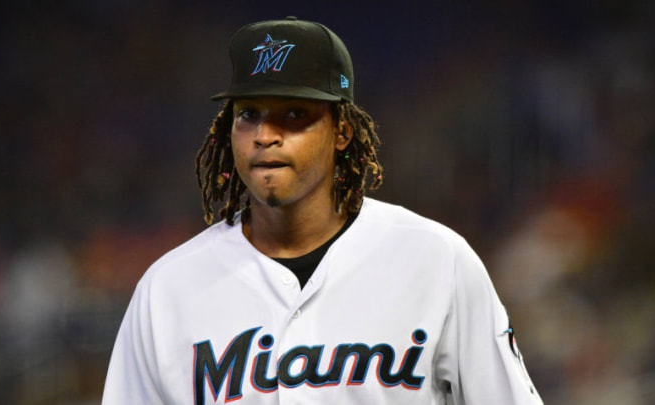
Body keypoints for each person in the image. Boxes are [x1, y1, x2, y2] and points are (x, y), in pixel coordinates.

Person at [102, 16, 544, 405]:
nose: (265, 135)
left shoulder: (436, 261)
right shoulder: (167, 290)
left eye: (293, 113)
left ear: (342, 131)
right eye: (249, 113)